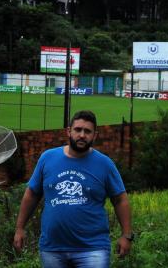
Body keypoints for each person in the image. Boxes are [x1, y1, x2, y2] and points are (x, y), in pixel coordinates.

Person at [13, 110, 133, 268]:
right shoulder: (47, 158)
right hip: (52, 249)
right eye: (78, 130)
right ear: (68, 131)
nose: (82, 135)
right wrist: (20, 228)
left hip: (93, 249)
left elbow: (120, 200)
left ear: (95, 135)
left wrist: (127, 235)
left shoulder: (104, 164)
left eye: (87, 131)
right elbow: (32, 194)